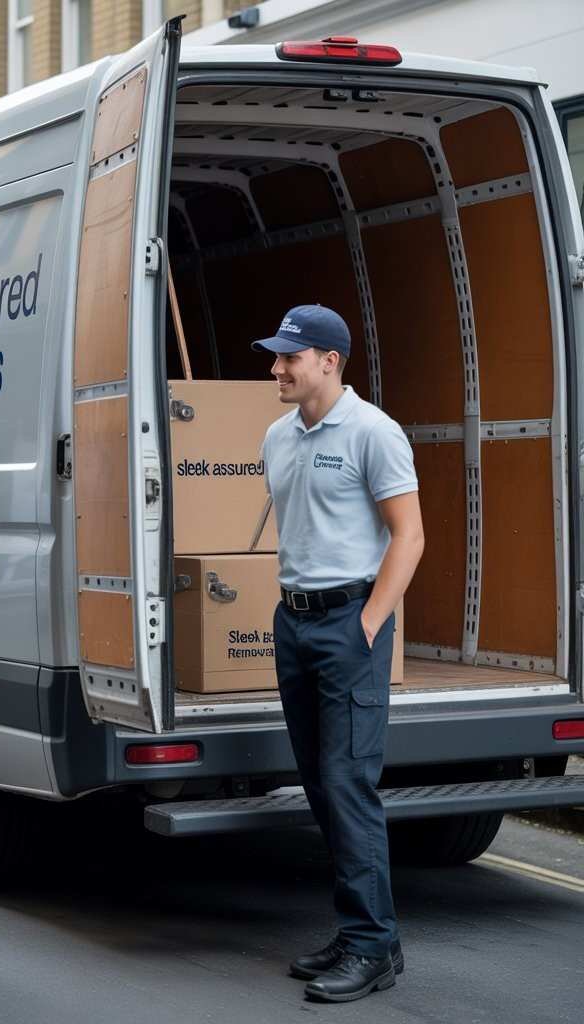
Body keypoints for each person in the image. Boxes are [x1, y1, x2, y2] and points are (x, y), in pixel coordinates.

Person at [253, 305, 424, 1004]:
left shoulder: (374, 432)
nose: (276, 368)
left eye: (289, 357)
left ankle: (370, 946)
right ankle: (366, 932)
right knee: (322, 786)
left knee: (348, 783)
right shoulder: (276, 437)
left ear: (330, 361)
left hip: (351, 624)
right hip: (293, 623)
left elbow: (409, 535)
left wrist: (369, 624)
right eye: (276, 357)